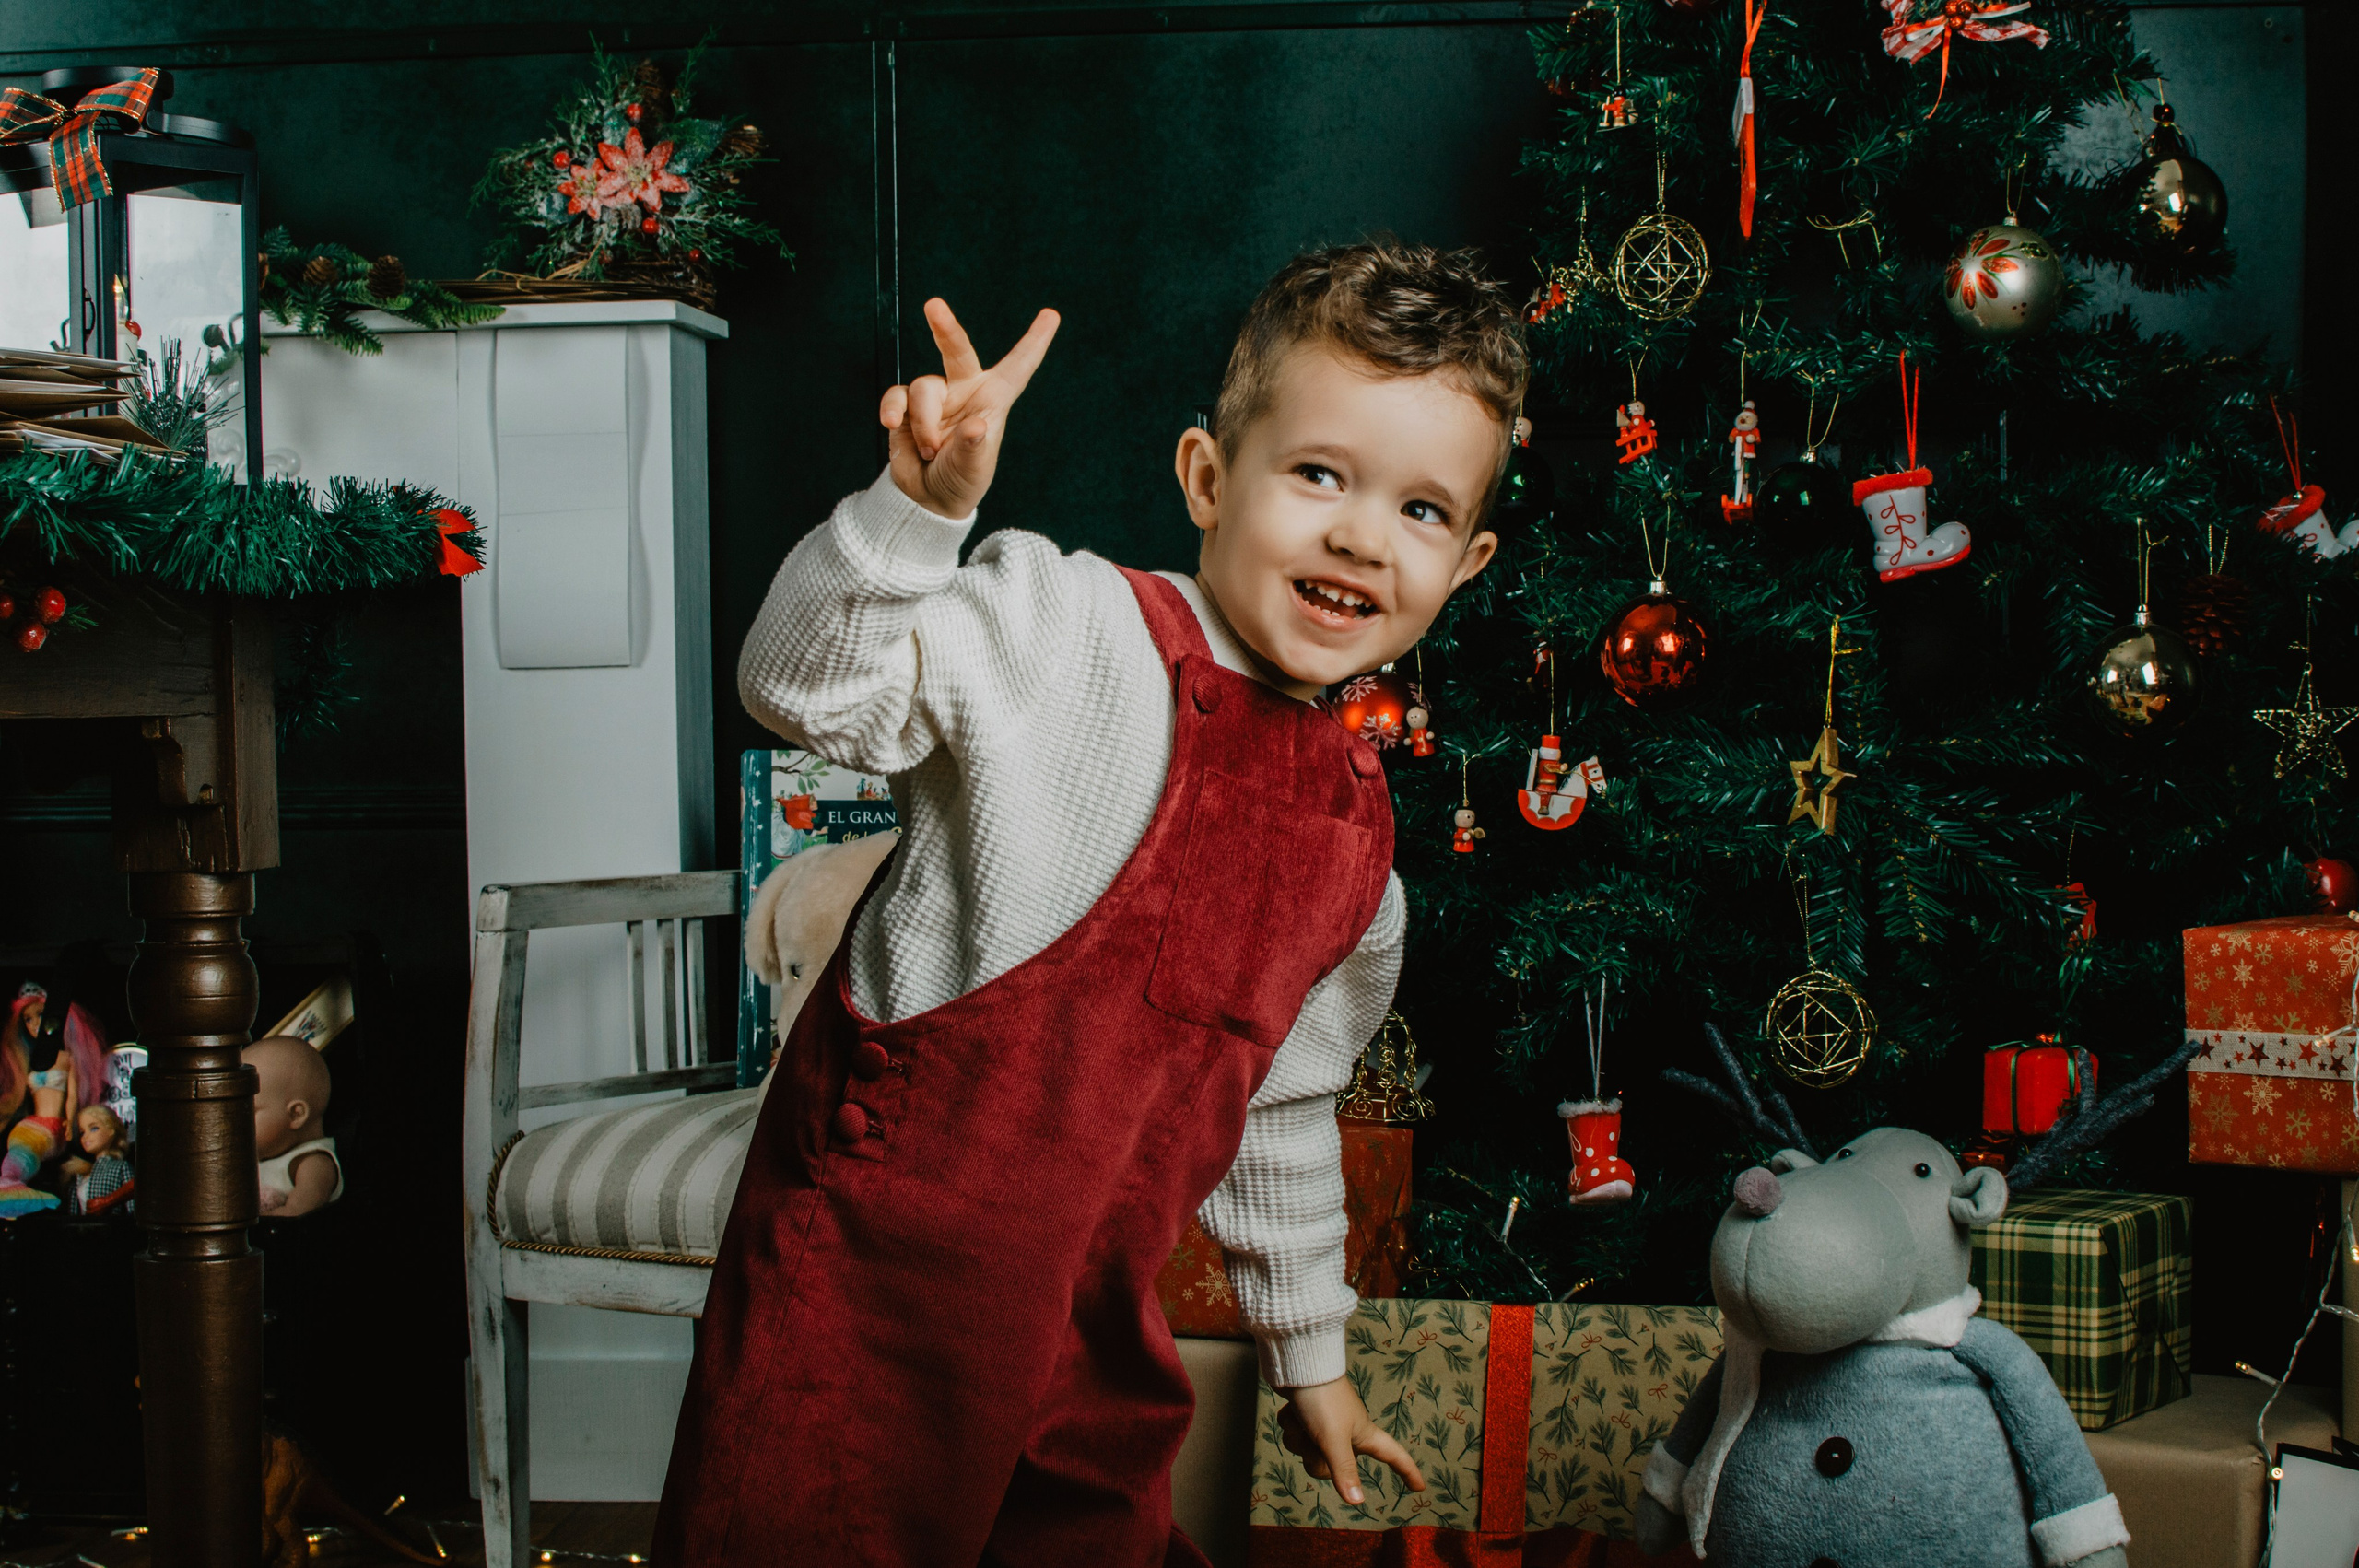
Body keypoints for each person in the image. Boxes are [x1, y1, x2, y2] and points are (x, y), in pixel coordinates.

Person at [655, 241, 1526, 1566]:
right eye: (1318, 475)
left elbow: (1280, 1110)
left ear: (1462, 566)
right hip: (870, 1286)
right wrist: (909, 514)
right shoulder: (1055, 626)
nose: (1360, 534)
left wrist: (1312, 1358)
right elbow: (800, 690)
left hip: (1093, 1333)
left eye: (1420, 511)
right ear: (1206, 477)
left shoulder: (1359, 847)